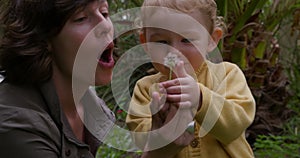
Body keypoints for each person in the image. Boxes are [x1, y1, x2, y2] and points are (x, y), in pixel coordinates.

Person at [126, 0, 256, 157]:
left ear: (212, 39)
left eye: (187, 40)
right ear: (145, 43)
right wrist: (161, 125)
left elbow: (236, 125)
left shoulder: (227, 75)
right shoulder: (145, 89)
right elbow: (141, 138)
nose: (173, 51)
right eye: (161, 41)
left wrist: (201, 99)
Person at [0, 0, 116, 157]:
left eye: (104, 13)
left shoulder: (97, 111)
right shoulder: (16, 122)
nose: (105, 26)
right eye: (81, 18)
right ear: (44, 38)